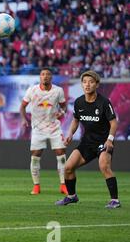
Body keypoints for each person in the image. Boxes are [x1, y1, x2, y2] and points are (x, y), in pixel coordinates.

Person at [56, 70, 120, 208]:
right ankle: (71, 196)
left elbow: (114, 122)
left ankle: (115, 200)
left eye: (91, 82)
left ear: (97, 84)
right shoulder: (79, 102)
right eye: (84, 82)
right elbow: (75, 120)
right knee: (67, 168)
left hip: (103, 141)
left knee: (104, 166)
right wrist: (70, 134)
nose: (87, 85)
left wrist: (110, 139)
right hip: (87, 142)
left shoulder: (104, 102)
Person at [20, 68, 68, 195]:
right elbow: (23, 106)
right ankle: (36, 186)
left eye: (47, 74)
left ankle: (63, 185)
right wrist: (24, 119)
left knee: (61, 154)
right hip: (38, 128)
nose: (45, 76)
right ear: (40, 77)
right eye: (43, 74)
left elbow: (64, 106)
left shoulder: (58, 91)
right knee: (35, 156)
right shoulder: (32, 90)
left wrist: (62, 112)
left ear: (51, 77)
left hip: (54, 127)